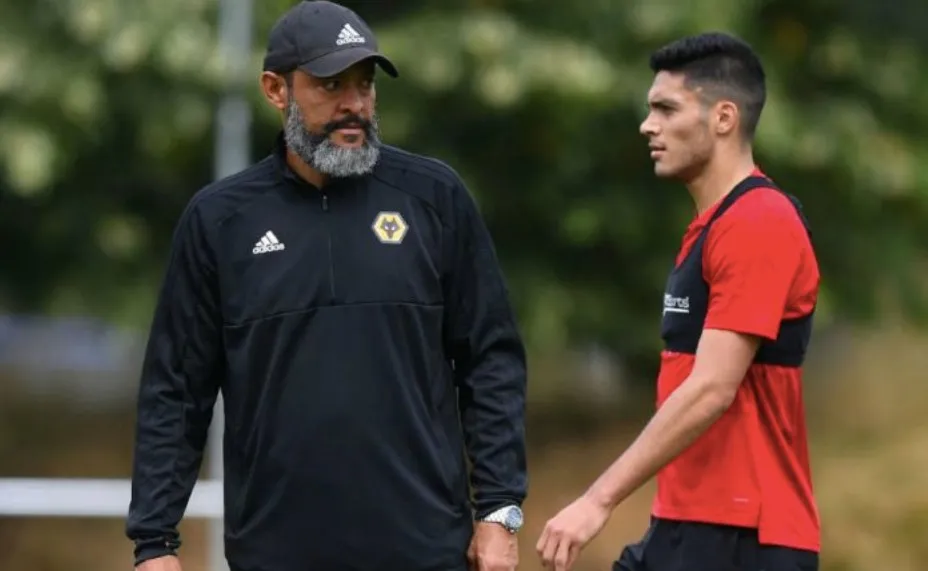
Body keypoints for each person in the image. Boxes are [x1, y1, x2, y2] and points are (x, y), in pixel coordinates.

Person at [125, 2, 528, 570]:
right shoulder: (219, 221)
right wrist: (154, 542)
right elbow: (176, 389)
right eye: (331, 85)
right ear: (276, 90)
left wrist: (500, 509)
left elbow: (491, 362)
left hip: (426, 551)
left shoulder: (435, 198)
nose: (354, 105)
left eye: (365, 85)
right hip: (275, 555)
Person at [536, 32, 821, 571]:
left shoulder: (759, 220)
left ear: (724, 118)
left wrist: (597, 500)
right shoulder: (710, 228)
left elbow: (712, 387)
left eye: (666, 109)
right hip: (687, 525)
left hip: (744, 536)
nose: (648, 125)